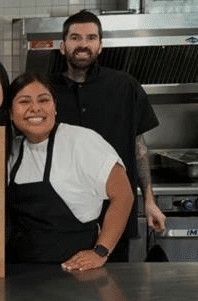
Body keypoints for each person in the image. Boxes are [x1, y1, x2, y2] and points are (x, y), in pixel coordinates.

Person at [52, 10, 165, 262]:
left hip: (115, 212)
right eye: (75, 37)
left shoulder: (125, 86)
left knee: (110, 292)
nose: (83, 44)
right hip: (63, 219)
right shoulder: (47, 92)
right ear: (63, 46)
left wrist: (149, 200)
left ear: (100, 46)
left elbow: (138, 147)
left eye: (91, 38)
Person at [7, 71, 133, 271]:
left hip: (74, 274)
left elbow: (124, 195)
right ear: (11, 112)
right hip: (20, 274)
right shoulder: (10, 150)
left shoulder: (82, 141)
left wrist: (101, 251)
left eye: (44, 100)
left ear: (55, 107)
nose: (35, 108)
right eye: (24, 102)